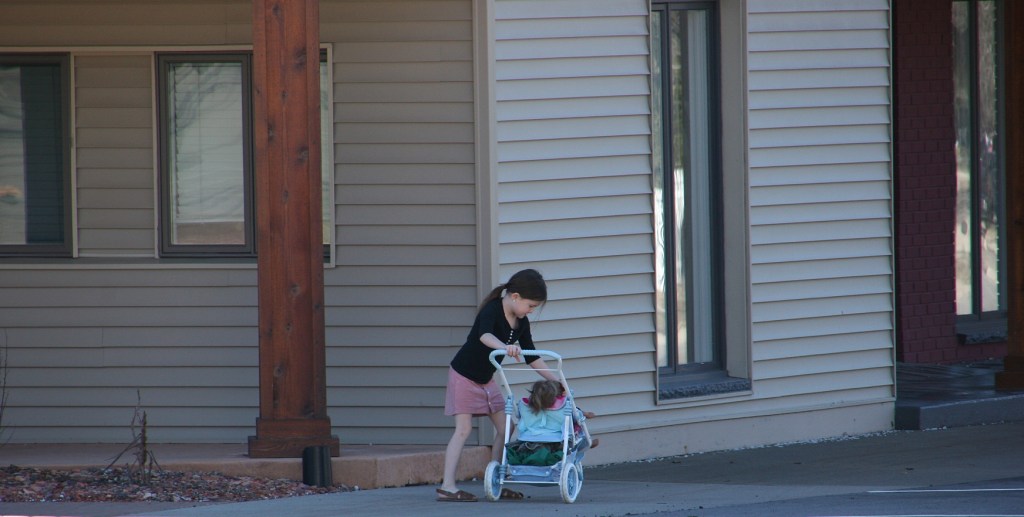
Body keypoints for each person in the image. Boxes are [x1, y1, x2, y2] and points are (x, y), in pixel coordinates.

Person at [436, 268, 559, 503]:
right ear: (515, 297)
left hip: (486, 379)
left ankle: (497, 480)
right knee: (463, 429)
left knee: (507, 427)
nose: (531, 311)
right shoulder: (492, 309)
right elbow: (484, 336)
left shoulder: (521, 322)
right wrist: (504, 346)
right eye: (530, 305)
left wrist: (556, 378)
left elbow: (531, 355)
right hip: (463, 375)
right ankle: (447, 486)